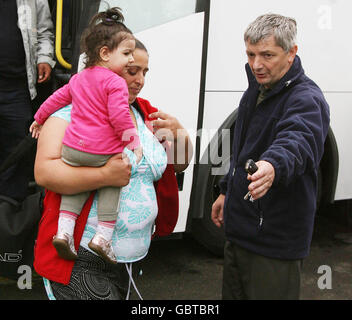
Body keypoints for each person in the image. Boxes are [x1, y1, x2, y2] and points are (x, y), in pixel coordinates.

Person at [33, 39, 193, 300]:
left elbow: (179, 164)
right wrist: (105, 176)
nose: (140, 80)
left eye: (145, 72)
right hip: (80, 259)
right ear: (107, 67)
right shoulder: (69, 113)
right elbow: (45, 173)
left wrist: (181, 135)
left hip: (131, 260)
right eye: (132, 71)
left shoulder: (145, 112)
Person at [211, 13, 330, 300]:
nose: (256, 65)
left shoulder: (306, 99)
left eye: (267, 55)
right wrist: (227, 190)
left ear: (291, 53)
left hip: (275, 244)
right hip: (240, 235)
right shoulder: (256, 90)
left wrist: (273, 165)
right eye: (251, 54)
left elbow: (298, 141)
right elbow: (243, 151)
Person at [30, 8, 143, 264]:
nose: (129, 61)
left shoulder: (79, 78)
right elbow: (118, 117)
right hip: (101, 151)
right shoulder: (115, 83)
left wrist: (38, 118)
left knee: (76, 185)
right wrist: (132, 140)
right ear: (105, 53)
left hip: (72, 149)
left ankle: (64, 232)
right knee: (113, 182)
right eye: (126, 54)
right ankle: (103, 237)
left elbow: (56, 99)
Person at [0, 0, 55, 202]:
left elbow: (44, 32)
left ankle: (11, 211)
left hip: (17, 87)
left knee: (18, 151)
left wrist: (44, 58)